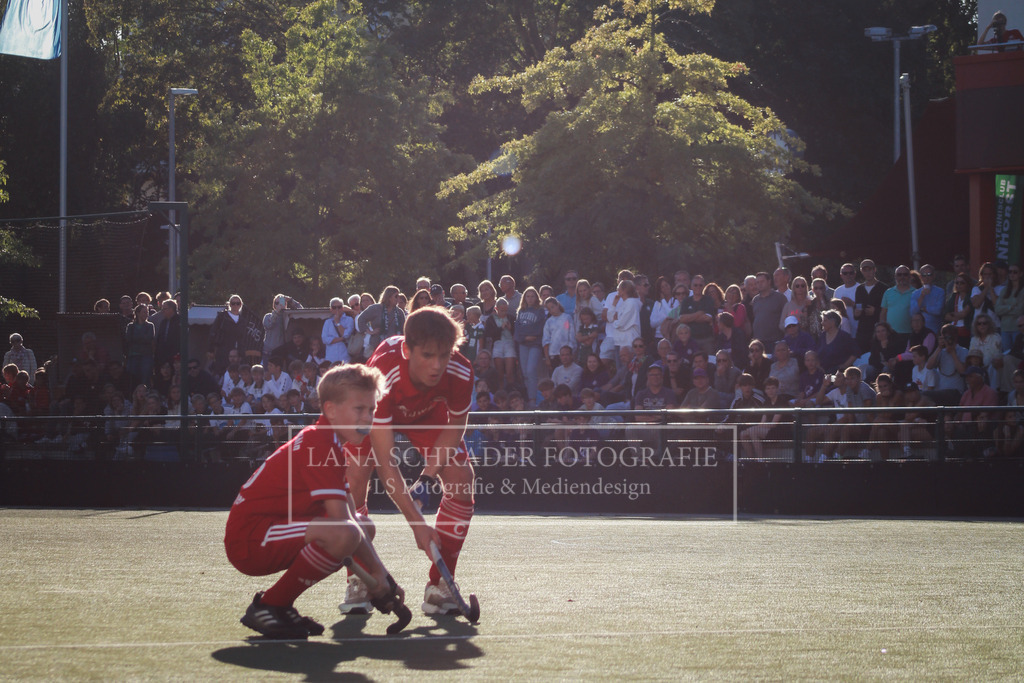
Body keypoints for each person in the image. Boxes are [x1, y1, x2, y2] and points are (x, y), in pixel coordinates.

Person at [224, 364, 407, 639]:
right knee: (345, 532)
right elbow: (341, 522)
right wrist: (379, 575)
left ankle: (279, 605)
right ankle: (271, 605)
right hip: (251, 540)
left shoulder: (332, 446)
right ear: (331, 410)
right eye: (360, 410)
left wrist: (380, 576)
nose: (368, 418)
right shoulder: (319, 443)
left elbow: (352, 519)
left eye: (372, 410)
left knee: (363, 526)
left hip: (272, 531)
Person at [345, 307, 473, 616]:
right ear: (407, 349)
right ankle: (360, 578)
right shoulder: (385, 372)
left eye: (444, 354)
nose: (438, 365)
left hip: (427, 413)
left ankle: (441, 586)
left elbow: (455, 428)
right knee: (355, 480)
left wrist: (426, 478)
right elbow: (386, 462)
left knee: (461, 478)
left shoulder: (460, 370)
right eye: (428, 355)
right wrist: (417, 523)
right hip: (373, 408)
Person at [209, 295, 265, 375]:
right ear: (229, 304)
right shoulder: (222, 317)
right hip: (224, 349)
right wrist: (210, 349)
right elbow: (213, 332)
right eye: (233, 303)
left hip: (239, 351)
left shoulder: (243, 319)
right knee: (222, 372)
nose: (235, 305)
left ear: (241, 305)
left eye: (238, 303)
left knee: (239, 371)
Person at [514, 287, 546, 405]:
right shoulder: (521, 311)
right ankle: (529, 397)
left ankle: (533, 399)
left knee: (531, 370)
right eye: (528, 296)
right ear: (524, 298)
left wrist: (526, 332)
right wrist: (524, 337)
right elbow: (517, 330)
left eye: (532, 296)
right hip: (523, 344)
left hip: (535, 344)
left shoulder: (540, 311)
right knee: (525, 373)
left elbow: (538, 328)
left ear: (536, 298)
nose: (530, 298)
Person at [356, 286, 406, 357]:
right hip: (377, 345)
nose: (398, 299)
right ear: (389, 297)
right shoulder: (375, 308)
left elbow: (403, 330)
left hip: (394, 347)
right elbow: (361, 319)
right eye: (396, 296)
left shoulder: (399, 312)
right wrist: (369, 331)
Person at [853, 259, 888, 354]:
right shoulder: (859, 289)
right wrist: (856, 313)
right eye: (865, 270)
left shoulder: (884, 288)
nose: (868, 272)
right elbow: (856, 312)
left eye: (870, 269)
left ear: (874, 270)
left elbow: (887, 310)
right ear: (861, 271)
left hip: (878, 332)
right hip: (862, 332)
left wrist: (875, 311)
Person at [485, 297, 517, 390]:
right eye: (502, 310)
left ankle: (511, 391)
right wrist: (501, 328)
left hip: (509, 343)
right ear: (496, 309)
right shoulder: (491, 319)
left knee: (510, 372)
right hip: (497, 344)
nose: (504, 312)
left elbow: (516, 333)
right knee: (499, 373)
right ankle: (501, 392)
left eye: (505, 310)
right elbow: (489, 334)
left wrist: (511, 328)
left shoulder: (511, 318)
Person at [262, 294, 304, 363]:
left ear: (285, 304)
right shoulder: (268, 316)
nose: (279, 304)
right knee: (267, 372)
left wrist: (291, 300)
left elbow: (302, 311)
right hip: (268, 351)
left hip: (281, 351)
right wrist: (276, 312)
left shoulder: (288, 315)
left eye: (281, 302)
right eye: (276, 303)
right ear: (274, 305)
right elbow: (269, 325)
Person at [751, 271, 787, 347]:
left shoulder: (780, 298)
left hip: (775, 341)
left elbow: (786, 317)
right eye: (757, 282)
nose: (759, 284)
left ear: (769, 281)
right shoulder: (755, 300)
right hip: (759, 342)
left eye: (762, 281)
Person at [124, 304, 156, 387]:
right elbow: (128, 339)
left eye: (147, 312)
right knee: (133, 378)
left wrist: (136, 338)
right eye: (144, 312)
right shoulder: (131, 326)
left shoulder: (150, 326)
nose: (146, 314)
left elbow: (149, 338)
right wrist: (142, 338)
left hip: (146, 355)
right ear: (138, 313)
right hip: (133, 356)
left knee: (145, 378)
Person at [995, 263, 1024, 351]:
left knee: (1017, 356)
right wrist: (1011, 307)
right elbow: (997, 310)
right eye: (1010, 272)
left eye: (1015, 272)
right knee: (1006, 355)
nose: (1012, 274)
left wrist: (1004, 308)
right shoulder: (1004, 290)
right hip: (1005, 329)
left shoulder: (1022, 291)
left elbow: (1020, 311)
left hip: (1018, 328)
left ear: (1021, 273)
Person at [910, 264, 945, 335]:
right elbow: (912, 312)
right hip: (919, 331)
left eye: (929, 274)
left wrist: (924, 309)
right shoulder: (915, 293)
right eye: (924, 275)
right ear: (920, 277)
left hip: (935, 330)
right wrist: (922, 296)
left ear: (933, 276)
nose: (927, 277)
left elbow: (938, 311)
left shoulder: (940, 291)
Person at [323, 297, 354, 364]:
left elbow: (346, 335)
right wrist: (341, 338)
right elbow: (325, 339)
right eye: (334, 307)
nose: (337, 309)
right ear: (331, 309)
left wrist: (337, 323)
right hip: (331, 358)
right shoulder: (327, 322)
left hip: (345, 357)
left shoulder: (349, 320)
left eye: (339, 307)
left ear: (342, 308)